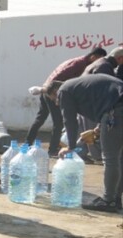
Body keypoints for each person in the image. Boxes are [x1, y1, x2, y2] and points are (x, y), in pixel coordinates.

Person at [50, 75, 123, 213]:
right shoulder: (79, 85)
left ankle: (108, 201)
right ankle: (116, 199)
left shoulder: (64, 90)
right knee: (120, 158)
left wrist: (70, 146)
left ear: (56, 92)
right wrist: (99, 128)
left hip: (116, 112)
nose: (56, 104)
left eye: (54, 100)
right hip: (116, 109)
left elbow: (69, 120)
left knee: (110, 158)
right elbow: (106, 99)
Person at [25, 47, 107, 156]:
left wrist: (44, 89)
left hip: (46, 90)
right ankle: (53, 149)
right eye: (99, 59)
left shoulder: (78, 61)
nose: (100, 62)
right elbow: (59, 76)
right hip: (52, 92)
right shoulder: (79, 64)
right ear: (93, 57)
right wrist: (51, 93)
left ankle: (27, 144)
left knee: (40, 119)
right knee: (58, 122)